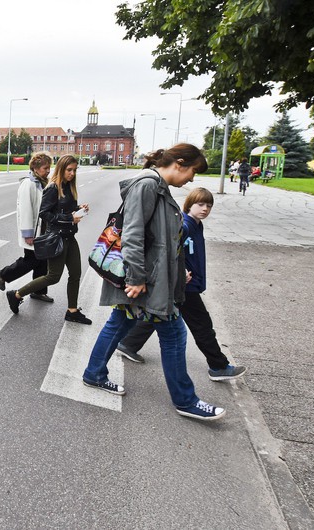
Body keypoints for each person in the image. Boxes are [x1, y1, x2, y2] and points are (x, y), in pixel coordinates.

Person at [82, 143, 226, 421]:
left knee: (119, 324)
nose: (192, 179)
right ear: (180, 163)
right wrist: (136, 278)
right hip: (146, 281)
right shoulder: (148, 185)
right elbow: (134, 234)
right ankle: (186, 400)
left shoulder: (157, 185)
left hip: (154, 277)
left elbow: (162, 239)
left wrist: (176, 270)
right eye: (192, 172)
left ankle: (94, 373)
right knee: (174, 335)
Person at [117, 188, 248, 381]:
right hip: (186, 286)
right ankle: (218, 366)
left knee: (158, 313)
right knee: (202, 325)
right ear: (189, 204)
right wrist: (181, 270)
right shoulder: (185, 225)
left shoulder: (197, 224)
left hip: (187, 284)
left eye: (209, 206)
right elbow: (170, 250)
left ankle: (128, 344)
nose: (205, 209)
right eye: (200, 204)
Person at [5, 154, 91, 324]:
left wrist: (79, 208)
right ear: (61, 169)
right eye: (69, 170)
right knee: (53, 276)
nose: (72, 173)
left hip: (69, 236)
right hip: (56, 238)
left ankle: (72, 311)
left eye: (74, 170)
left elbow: (66, 208)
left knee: (75, 274)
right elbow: (44, 213)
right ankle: (16, 295)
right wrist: (68, 219)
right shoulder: (53, 188)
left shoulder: (69, 187)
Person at [0, 152, 55, 304]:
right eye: (45, 168)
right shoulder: (29, 184)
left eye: (49, 167)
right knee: (31, 260)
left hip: (42, 231)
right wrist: (28, 234)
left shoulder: (42, 182)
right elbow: (26, 210)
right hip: (32, 231)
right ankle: (3, 274)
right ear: (35, 167)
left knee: (42, 262)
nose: (48, 170)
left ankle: (39, 291)